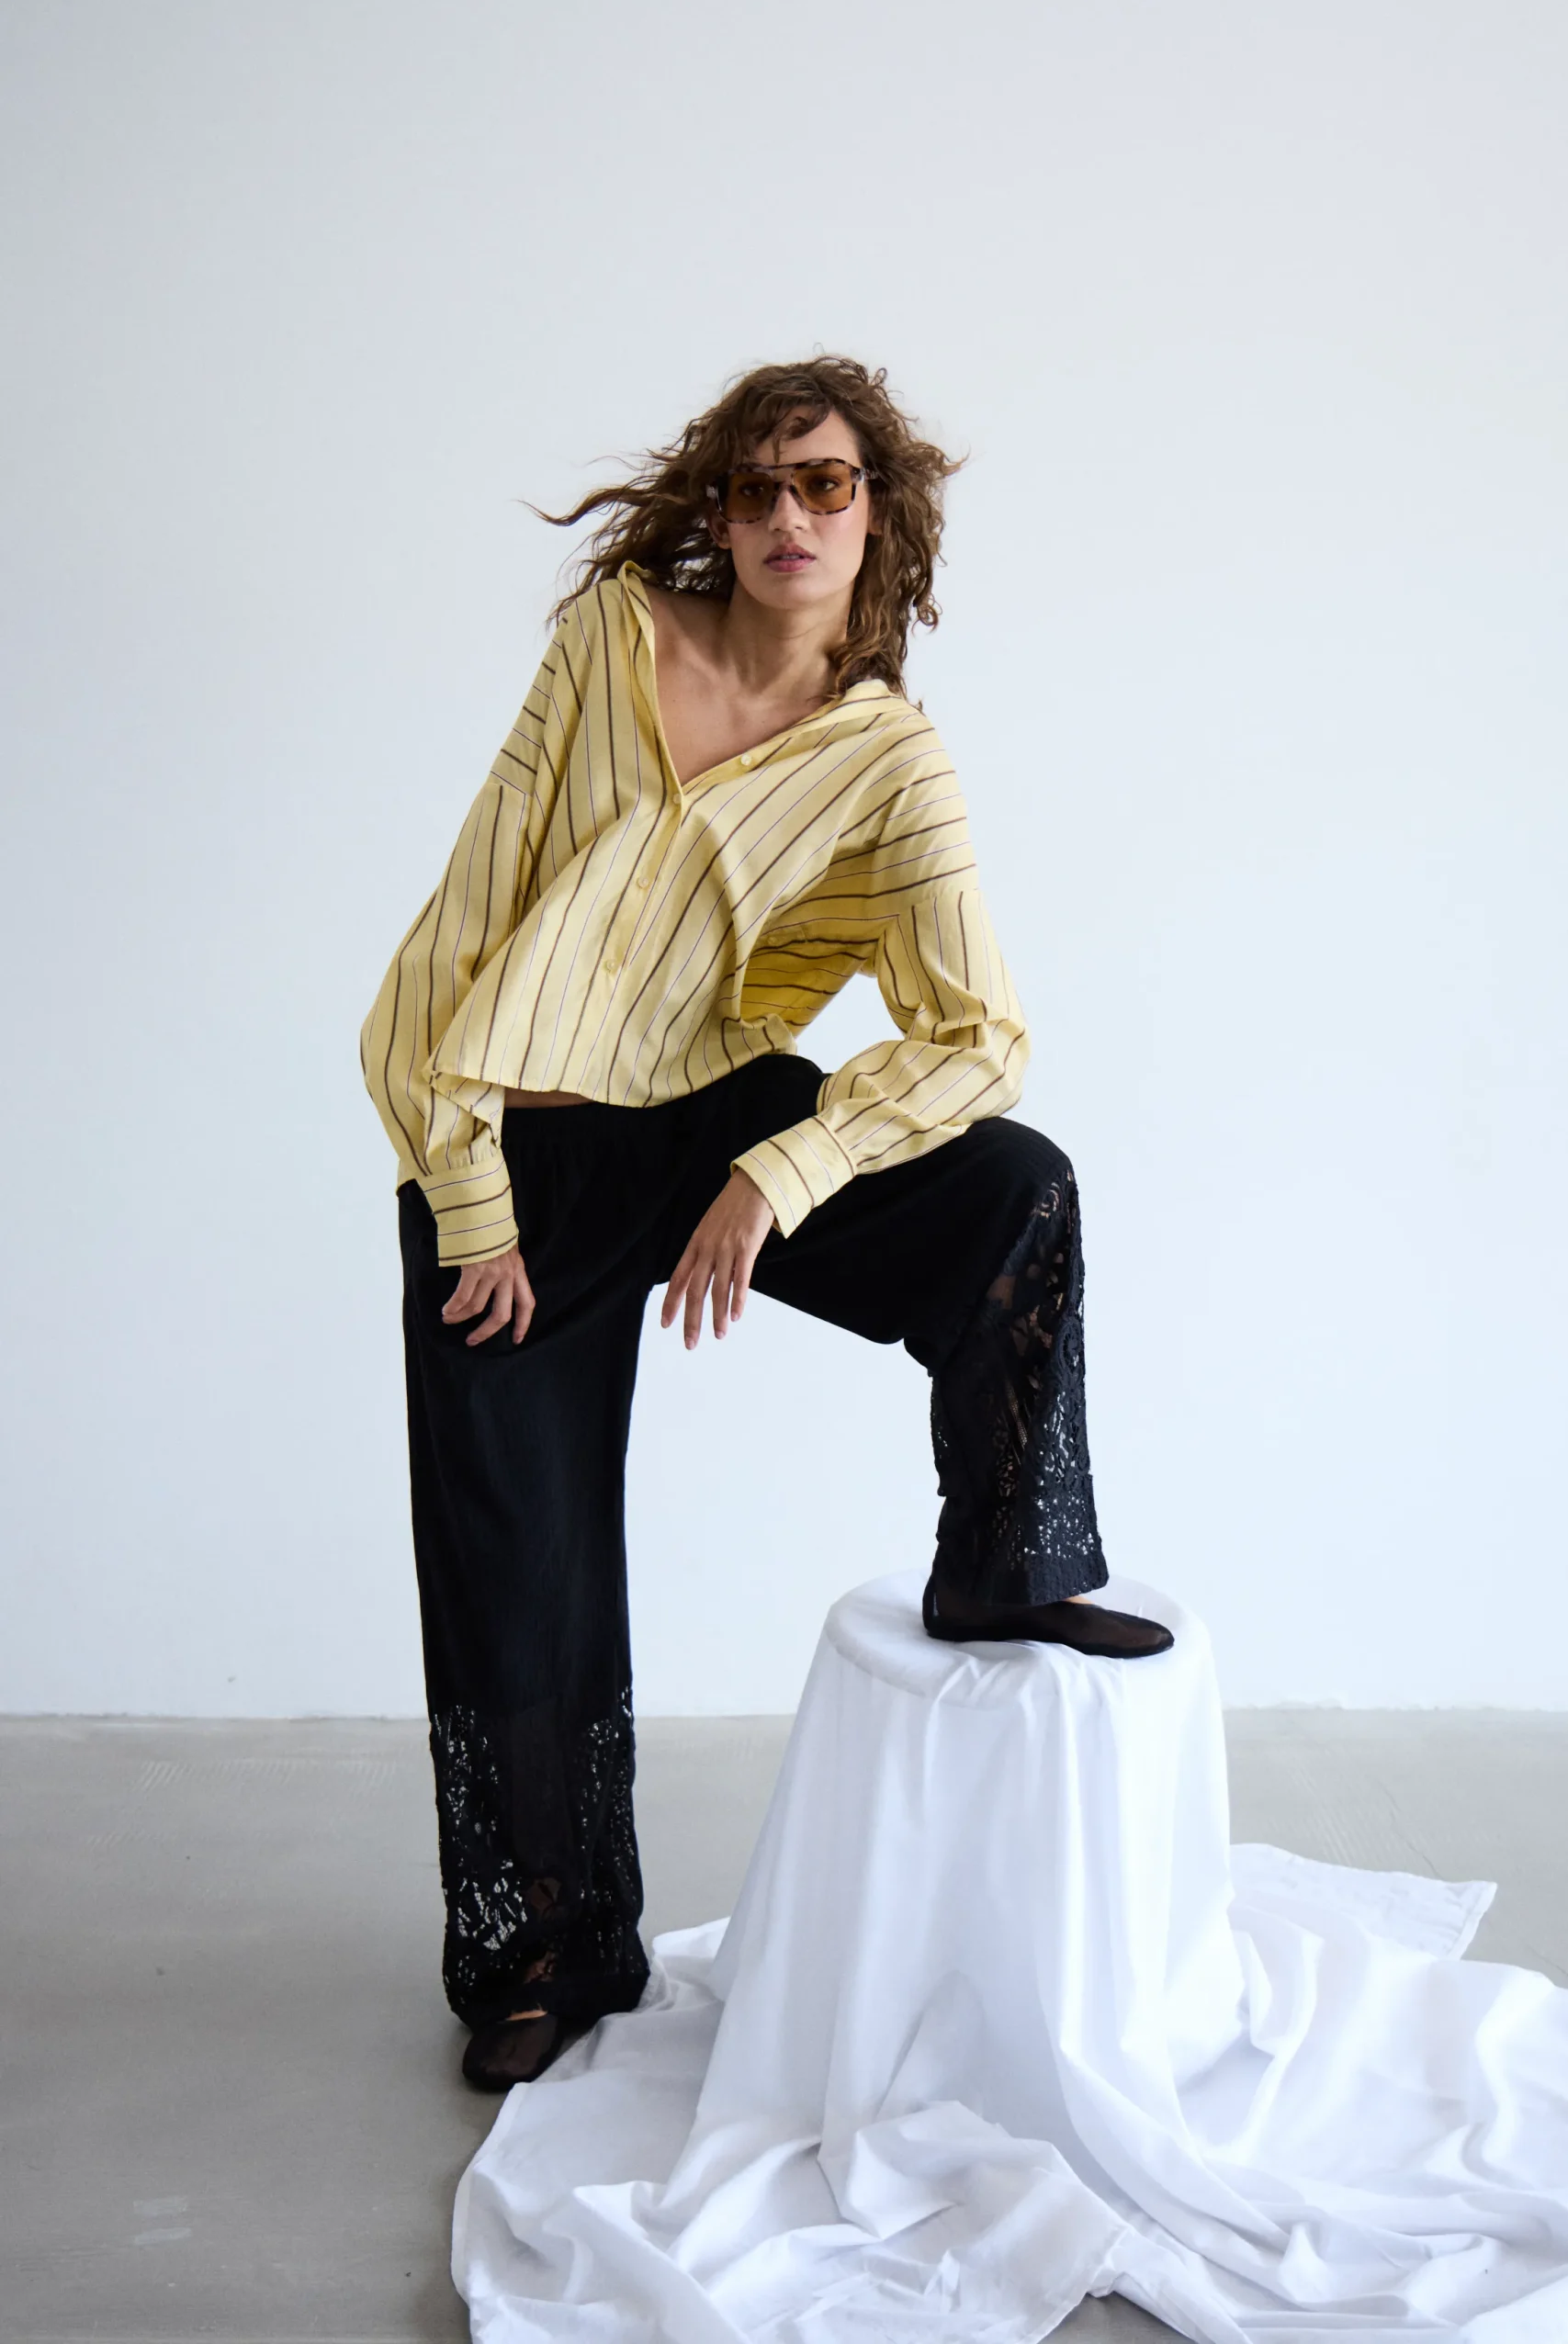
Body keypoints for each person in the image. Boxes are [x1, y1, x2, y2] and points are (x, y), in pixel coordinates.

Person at [360, 355, 1174, 2093]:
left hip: (713, 1122)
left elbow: (978, 1036)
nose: (788, 514)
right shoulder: (608, 643)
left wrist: (775, 1174)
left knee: (1011, 1186)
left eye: (824, 483)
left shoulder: (888, 761)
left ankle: (1007, 1562)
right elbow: (458, 930)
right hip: (514, 1164)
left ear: (879, 515)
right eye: (756, 486)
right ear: (716, 513)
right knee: (519, 1570)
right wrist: (469, 1201)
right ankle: (545, 1952)